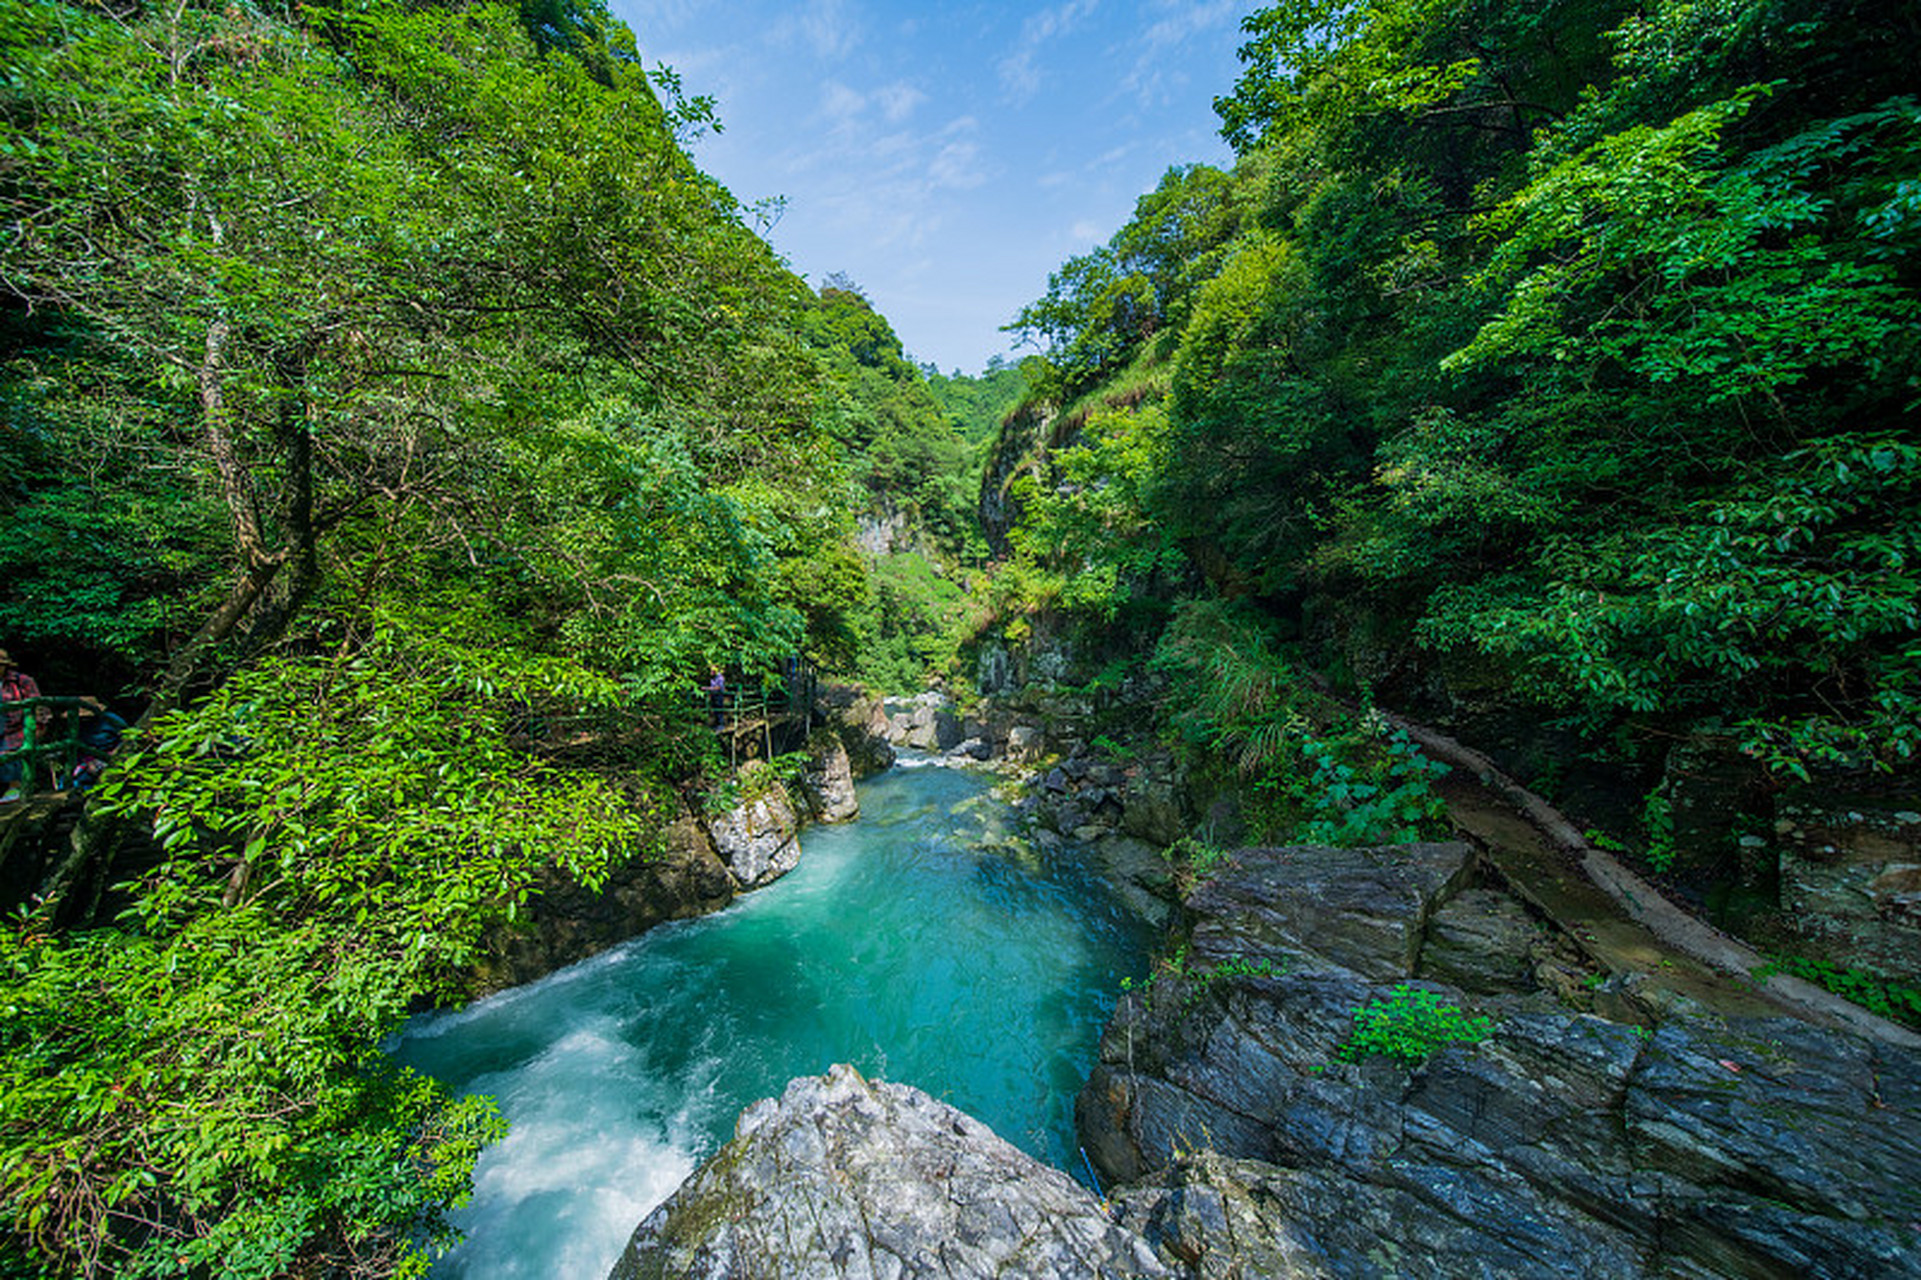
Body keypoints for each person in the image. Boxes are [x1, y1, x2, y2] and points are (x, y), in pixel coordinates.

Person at [0, 648, 49, 802]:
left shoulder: (22, 682)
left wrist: (36, 733)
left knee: (11, 753)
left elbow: (39, 711)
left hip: (15, 732)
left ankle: (15, 787)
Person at [705, 665, 727, 730]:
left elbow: (719, 687)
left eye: (712, 671)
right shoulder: (712, 678)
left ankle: (721, 725)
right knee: (714, 710)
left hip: (719, 695)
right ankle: (716, 725)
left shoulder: (720, 678)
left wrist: (709, 688)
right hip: (713, 695)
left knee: (719, 710)